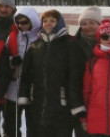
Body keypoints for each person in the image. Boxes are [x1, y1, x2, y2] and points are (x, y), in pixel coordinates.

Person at [18, 9, 73, 137]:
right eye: (45, 21)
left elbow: (74, 76)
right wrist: (24, 96)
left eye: (52, 21)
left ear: (59, 23)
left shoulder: (69, 44)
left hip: (61, 105)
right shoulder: (35, 46)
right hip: (37, 104)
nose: (48, 23)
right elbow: (26, 75)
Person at [2, 6, 41, 137]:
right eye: (18, 22)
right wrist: (12, 60)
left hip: (33, 88)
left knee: (34, 124)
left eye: (24, 22)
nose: (21, 25)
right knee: (11, 124)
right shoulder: (13, 37)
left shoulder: (40, 37)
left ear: (33, 21)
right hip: (14, 85)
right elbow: (3, 59)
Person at [67, 6, 102, 137]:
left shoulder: (108, 43)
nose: (88, 27)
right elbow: (71, 78)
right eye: (84, 24)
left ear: (99, 24)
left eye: (92, 23)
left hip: (102, 102)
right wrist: (77, 106)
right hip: (81, 102)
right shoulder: (73, 46)